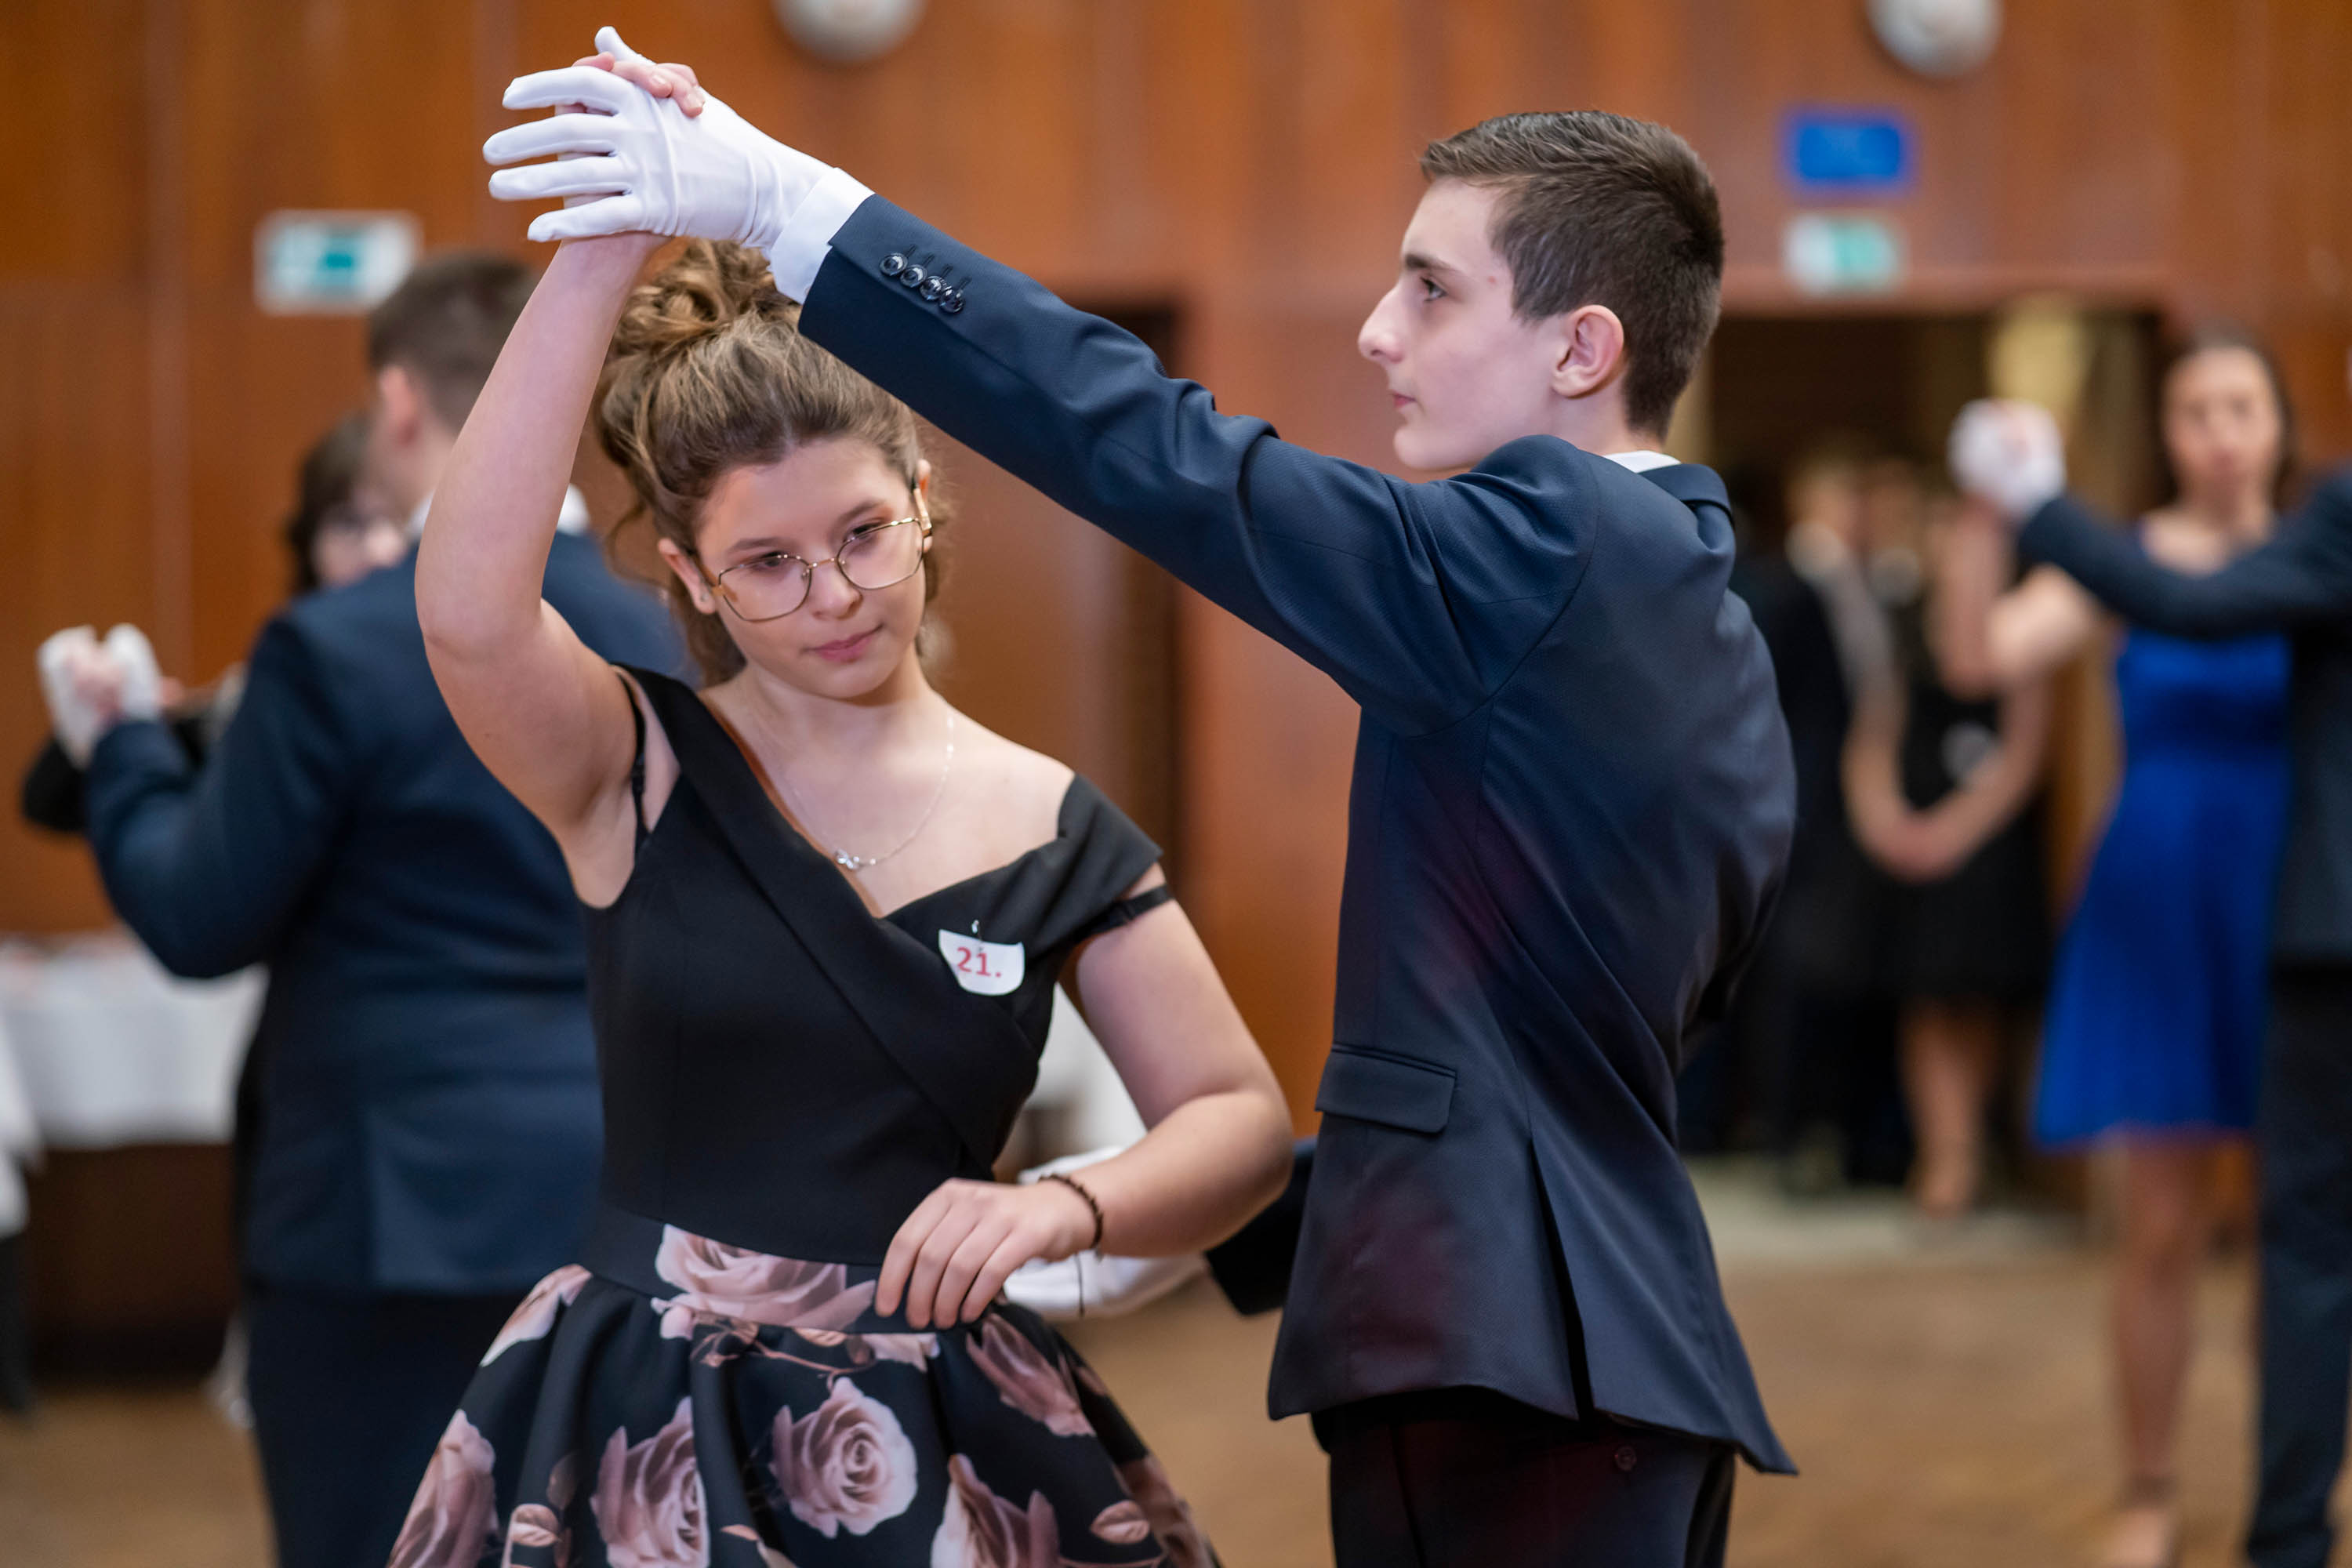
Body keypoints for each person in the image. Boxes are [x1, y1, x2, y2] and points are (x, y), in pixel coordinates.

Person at [485, 34, 1798, 1566]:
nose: (1380, 329)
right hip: (1593, 1344)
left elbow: (1159, 450)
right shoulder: (1698, 617)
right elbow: (1558, 1040)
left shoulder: (1547, 552)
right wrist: (1188, 1214)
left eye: (1434, 290)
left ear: (1582, 349)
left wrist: (795, 208)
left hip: (1514, 1365)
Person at [403, 227, 1290, 1566]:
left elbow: (1239, 1119)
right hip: (651, 1404)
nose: (836, 597)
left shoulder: (1055, 825)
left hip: (941, 1408)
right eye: (769, 563)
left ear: (924, 502)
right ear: (693, 578)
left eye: (865, 534)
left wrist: (1063, 1205)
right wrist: (595, 262)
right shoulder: (631, 766)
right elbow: (470, 614)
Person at [33, 253, 682, 1568]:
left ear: (397, 403)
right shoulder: (666, 635)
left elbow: (199, 918)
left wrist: (126, 752)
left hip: (387, 1218)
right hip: (621, 1187)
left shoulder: (339, 644)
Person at [1950, 350, 2335, 1568]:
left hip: (2287, 902)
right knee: (2161, 1223)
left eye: (2241, 408)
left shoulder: (2315, 550)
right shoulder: (2119, 558)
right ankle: (2150, 1487)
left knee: (2299, 1223)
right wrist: (1983, 517)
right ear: (2165, 428)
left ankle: (2305, 1482)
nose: (2219, 432)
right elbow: (1980, 656)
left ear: (2278, 426)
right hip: (2162, 902)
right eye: (2194, 409)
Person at [20, 410, 403, 835]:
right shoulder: (271, 693)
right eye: (350, 524)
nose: (381, 551)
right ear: (310, 548)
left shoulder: (454, 689)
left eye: (402, 521)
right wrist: (124, 720)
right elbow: (50, 800)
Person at [1839, 466, 2053, 1219]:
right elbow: (1873, 736)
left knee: (1979, 995)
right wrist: (1884, 819)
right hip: (1916, 830)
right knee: (1925, 998)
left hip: (1984, 843)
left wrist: (1955, 832)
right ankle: (1944, 1152)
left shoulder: (2024, 625)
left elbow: (2025, 752)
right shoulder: (1905, 626)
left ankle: (1972, 1146)